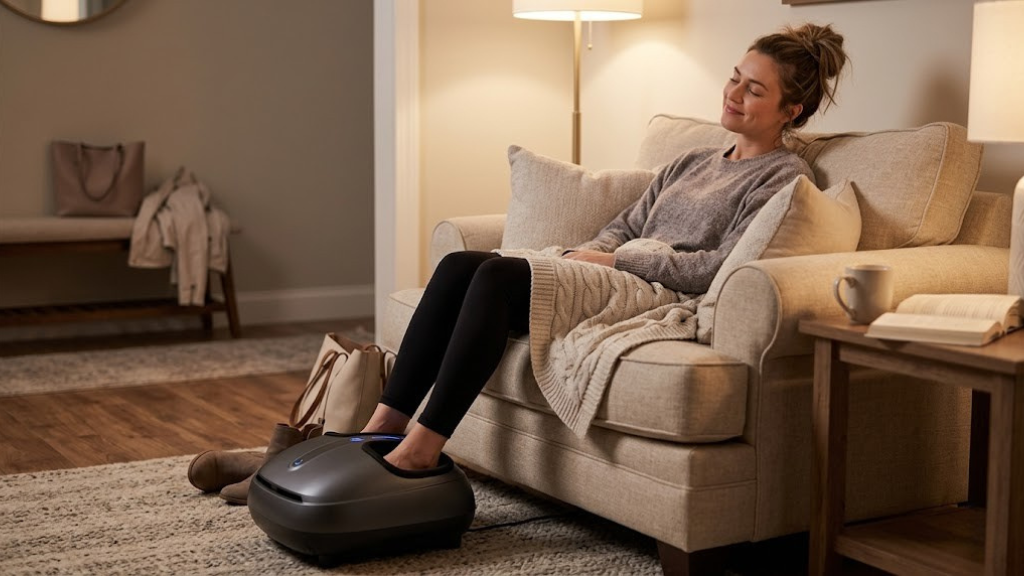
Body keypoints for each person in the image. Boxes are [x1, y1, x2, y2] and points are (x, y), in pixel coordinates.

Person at [363, 23, 849, 472]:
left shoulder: (783, 177)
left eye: (755, 89)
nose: (734, 94)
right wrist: (581, 259)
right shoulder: (693, 159)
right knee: (459, 265)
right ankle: (382, 426)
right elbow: (626, 224)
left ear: (792, 111)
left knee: (495, 276)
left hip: (657, 291)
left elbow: (713, 268)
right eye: (735, 78)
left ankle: (423, 448)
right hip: (612, 271)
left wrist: (615, 261)